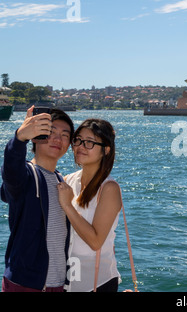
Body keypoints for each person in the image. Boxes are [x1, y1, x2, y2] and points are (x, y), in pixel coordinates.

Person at [1, 106, 74, 292]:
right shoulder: (26, 175)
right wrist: (19, 138)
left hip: (58, 284)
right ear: (36, 136)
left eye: (65, 135)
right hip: (25, 284)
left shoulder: (61, 180)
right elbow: (11, 171)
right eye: (50, 132)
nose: (58, 139)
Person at [57, 119, 122, 292]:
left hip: (97, 283)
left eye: (90, 142)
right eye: (78, 140)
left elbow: (95, 242)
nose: (81, 146)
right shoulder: (67, 181)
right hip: (67, 281)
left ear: (106, 150)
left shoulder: (109, 189)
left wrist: (67, 206)